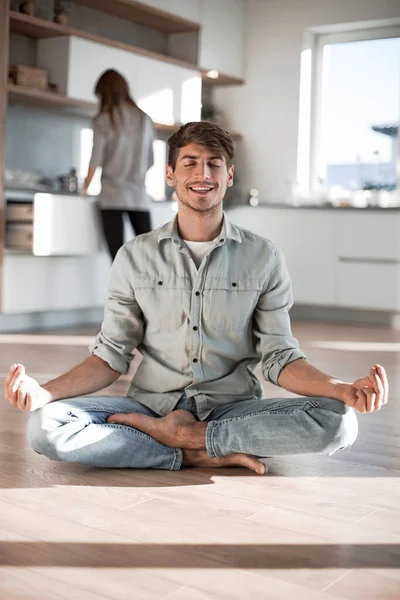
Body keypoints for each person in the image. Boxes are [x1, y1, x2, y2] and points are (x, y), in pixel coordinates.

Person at [4, 121, 389, 475]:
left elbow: (280, 357)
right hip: (150, 406)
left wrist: (340, 389)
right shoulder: (135, 256)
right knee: (44, 427)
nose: (202, 174)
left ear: (229, 176)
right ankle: (197, 450)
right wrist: (45, 391)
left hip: (231, 409)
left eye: (214, 164)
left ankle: (183, 439)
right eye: (190, 163)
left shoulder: (264, 257)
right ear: (171, 174)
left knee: (338, 422)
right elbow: (110, 357)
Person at [82, 69, 155, 261]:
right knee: (149, 257)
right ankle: (146, 291)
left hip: (112, 196)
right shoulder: (144, 119)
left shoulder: (104, 120)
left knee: (118, 259)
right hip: (138, 196)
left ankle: (125, 291)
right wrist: (134, 175)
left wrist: (85, 187)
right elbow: (150, 160)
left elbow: (95, 159)